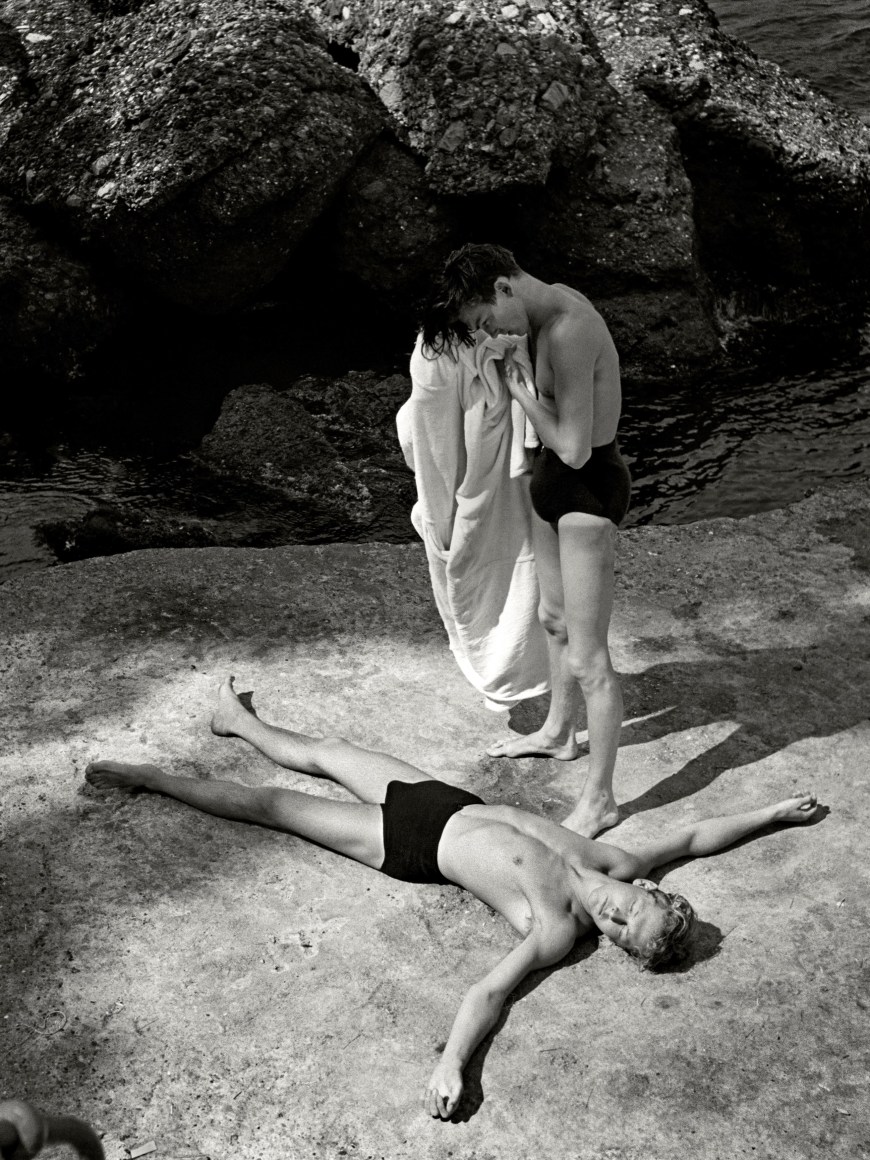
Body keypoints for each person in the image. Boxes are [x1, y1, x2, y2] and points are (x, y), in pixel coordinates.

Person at [85, 677, 820, 1121]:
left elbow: (489, 993)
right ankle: (237, 720)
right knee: (328, 751)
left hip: (409, 846)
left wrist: (455, 1066)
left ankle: (151, 778)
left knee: (272, 806)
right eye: (633, 908)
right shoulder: (614, 859)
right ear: (645, 887)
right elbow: (693, 838)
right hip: (444, 800)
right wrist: (772, 813)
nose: (616, 915)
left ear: (616, 945)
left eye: (622, 932)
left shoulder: (556, 928)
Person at [425, 243, 631, 837]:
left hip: (587, 491)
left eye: (486, 320)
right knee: (552, 620)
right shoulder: (536, 318)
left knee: (589, 658)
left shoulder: (569, 328)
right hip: (551, 483)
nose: (490, 333)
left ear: (503, 287)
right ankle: (559, 733)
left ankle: (601, 801)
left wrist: (519, 392)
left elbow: (575, 447)